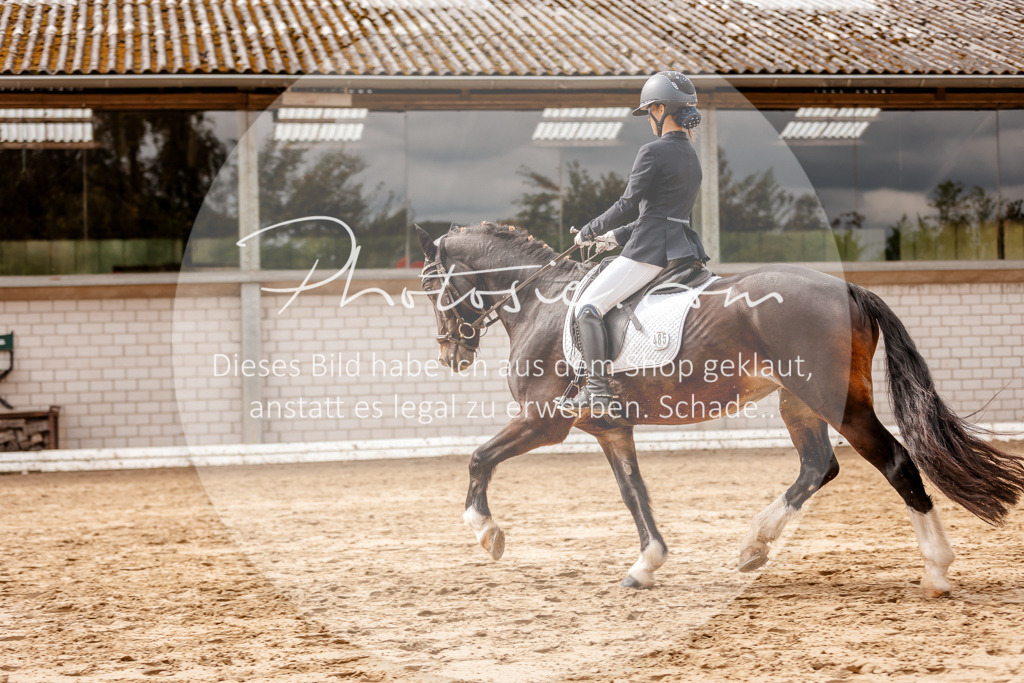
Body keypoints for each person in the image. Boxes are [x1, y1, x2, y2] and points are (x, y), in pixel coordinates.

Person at [559, 71, 709, 419]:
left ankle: (597, 390)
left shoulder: (653, 151)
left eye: (650, 111)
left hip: (650, 250)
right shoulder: (691, 155)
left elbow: (629, 204)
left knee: (588, 307)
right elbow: (663, 213)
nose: (649, 120)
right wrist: (614, 237)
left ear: (660, 108)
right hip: (678, 244)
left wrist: (589, 229)